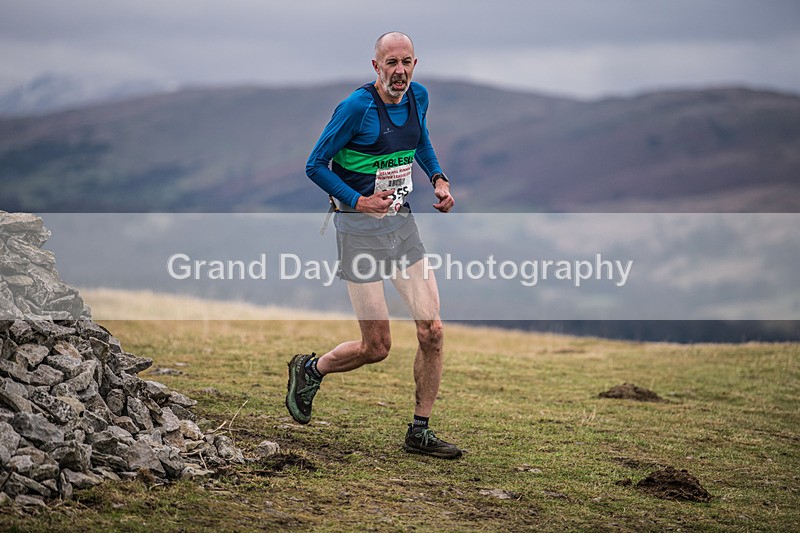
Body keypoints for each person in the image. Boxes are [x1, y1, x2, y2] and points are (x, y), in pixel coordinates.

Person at [286, 31, 462, 459]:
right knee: (376, 348)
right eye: (391, 63)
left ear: (415, 64)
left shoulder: (418, 97)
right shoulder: (356, 108)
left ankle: (419, 431)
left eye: (407, 62)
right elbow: (315, 165)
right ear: (376, 66)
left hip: (401, 226)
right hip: (358, 231)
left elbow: (419, 141)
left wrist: (437, 178)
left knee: (432, 330)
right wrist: (359, 201)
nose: (399, 71)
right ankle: (311, 369)